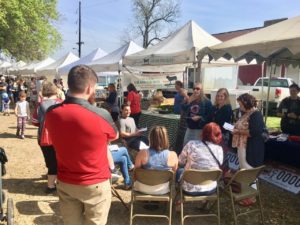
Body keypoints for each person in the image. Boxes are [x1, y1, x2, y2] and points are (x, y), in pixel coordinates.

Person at [44, 65, 118, 225]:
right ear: (90, 88)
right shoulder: (101, 115)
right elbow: (115, 135)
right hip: (95, 182)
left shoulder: (51, 113)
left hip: (66, 181)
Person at [178, 122, 223, 196]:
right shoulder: (220, 149)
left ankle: (177, 200)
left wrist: (188, 162)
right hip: (210, 187)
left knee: (178, 171)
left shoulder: (192, 144)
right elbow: (219, 164)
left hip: (190, 188)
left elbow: (180, 162)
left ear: (203, 132)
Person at [134, 126, 178, 195]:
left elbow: (135, 173)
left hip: (143, 188)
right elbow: (173, 177)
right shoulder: (173, 155)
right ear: (166, 138)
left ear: (151, 138)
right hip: (163, 190)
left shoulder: (142, 153)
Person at [37, 81, 62, 193]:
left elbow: (35, 121)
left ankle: (51, 181)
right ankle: (51, 185)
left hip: (43, 137)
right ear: (55, 91)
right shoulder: (61, 103)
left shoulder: (41, 104)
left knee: (50, 160)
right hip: (58, 138)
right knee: (58, 162)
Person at [232, 93, 265, 169]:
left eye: (240, 105)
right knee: (243, 165)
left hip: (252, 146)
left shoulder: (256, 114)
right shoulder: (247, 113)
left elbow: (253, 132)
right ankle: (247, 179)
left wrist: (237, 131)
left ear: (246, 104)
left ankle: (252, 180)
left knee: (248, 166)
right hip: (243, 145)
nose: (239, 107)